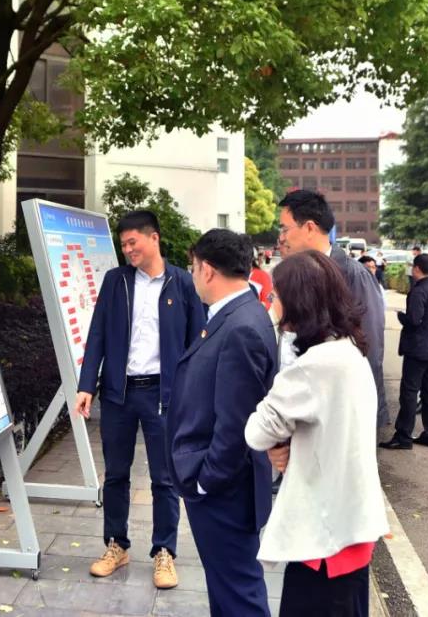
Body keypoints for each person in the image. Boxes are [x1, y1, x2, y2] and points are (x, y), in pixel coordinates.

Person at [245, 250, 388, 617]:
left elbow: (257, 431)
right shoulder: (349, 350)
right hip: (350, 527)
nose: (272, 302)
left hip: (324, 540)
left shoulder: (313, 366)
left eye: (276, 295)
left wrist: (278, 440)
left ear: (298, 303)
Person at [73, 210, 204, 588]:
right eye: (124, 244)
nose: (127, 249)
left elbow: (197, 342)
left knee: (165, 478)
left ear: (154, 238)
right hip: (119, 393)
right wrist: (86, 385)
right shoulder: (116, 281)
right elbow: (97, 333)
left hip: (163, 395)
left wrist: (192, 395)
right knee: (116, 474)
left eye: (133, 242)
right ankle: (116, 545)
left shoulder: (182, 283)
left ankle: (164, 552)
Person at [166, 229, 277, 616]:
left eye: (193, 267)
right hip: (224, 486)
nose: (192, 275)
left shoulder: (241, 326)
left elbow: (236, 425)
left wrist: (205, 480)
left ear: (208, 270)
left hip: (225, 490)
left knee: (239, 594)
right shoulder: (237, 314)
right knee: (226, 590)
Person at [276, 190, 388, 427]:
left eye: (285, 229)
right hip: (304, 409)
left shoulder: (353, 275)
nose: (281, 238)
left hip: (340, 416)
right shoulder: (301, 274)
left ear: (309, 227)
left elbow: (369, 349)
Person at [380, 254, 428, 450]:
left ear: (417, 268)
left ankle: (403, 436)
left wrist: (402, 317)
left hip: (419, 349)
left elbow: (414, 320)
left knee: (409, 392)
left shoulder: (419, 291)